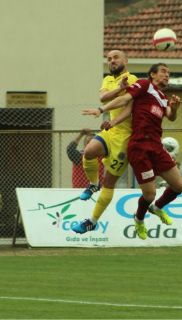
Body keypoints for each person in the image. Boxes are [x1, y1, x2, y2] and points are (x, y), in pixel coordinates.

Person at [84, 63, 182, 240]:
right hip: (139, 147)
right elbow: (124, 101)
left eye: (169, 72)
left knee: (178, 186)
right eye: (163, 71)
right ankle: (138, 219)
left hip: (156, 146)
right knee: (149, 194)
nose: (167, 75)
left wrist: (175, 107)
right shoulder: (144, 85)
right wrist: (102, 110)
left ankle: (158, 208)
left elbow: (171, 116)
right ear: (152, 74)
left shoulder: (163, 97)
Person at [71, 50, 138, 234]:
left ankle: (92, 221)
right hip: (111, 130)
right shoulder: (108, 80)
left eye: (116, 57)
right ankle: (93, 184)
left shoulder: (133, 80)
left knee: (109, 182)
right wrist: (118, 88)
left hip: (125, 137)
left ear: (126, 60)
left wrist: (122, 88)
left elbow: (128, 106)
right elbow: (103, 97)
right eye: (108, 59)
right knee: (89, 151)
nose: (112, 61)